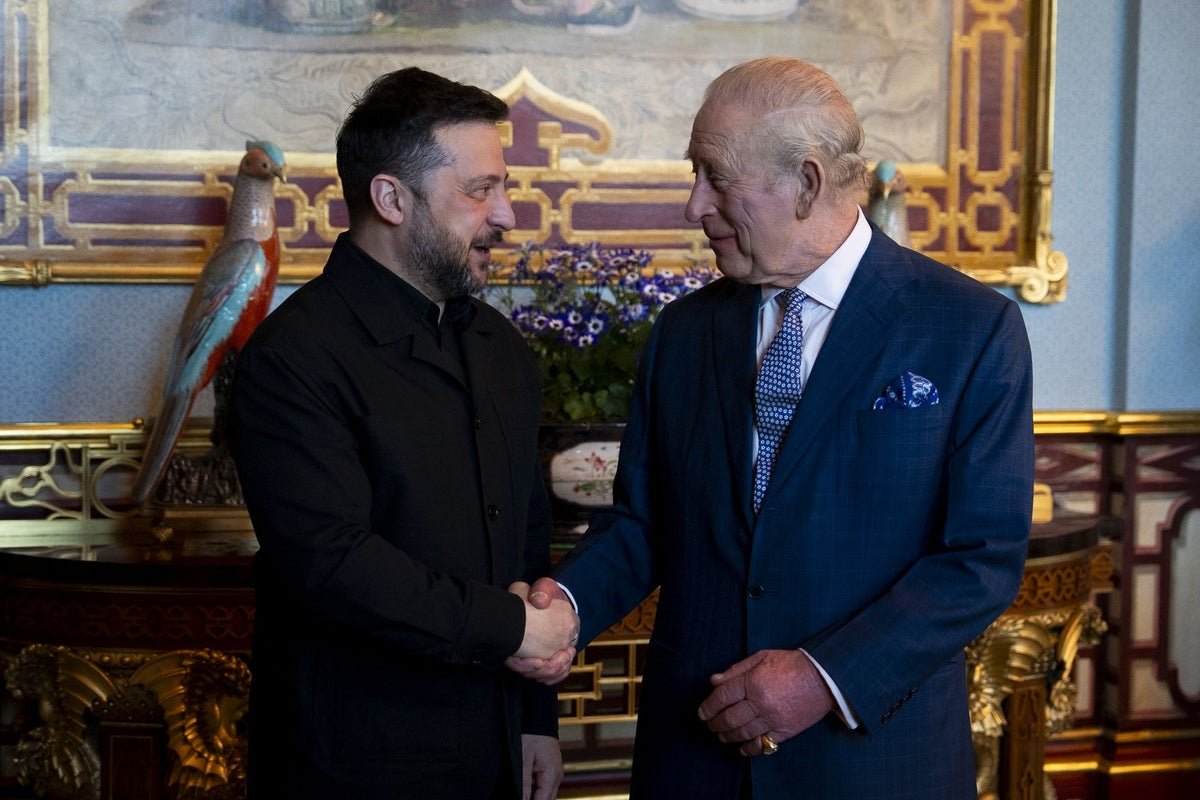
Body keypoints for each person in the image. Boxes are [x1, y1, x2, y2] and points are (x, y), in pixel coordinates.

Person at [510, 56, 1034, 799]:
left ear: (809, 183)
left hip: (874, 764)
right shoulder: (683, 333)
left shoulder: (969, 328)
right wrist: (565, 606)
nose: (694, 206)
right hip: (694, 759)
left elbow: (979, 559)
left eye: (715, 178)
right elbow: (642, 524)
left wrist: (822, 678)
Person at [229, 67, 578, 800]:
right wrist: (512, 627)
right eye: (480, 190)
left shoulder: (502, 349)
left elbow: (525, 537)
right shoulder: (291, 357)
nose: (509, 215)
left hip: (495, 748)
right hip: (355, 764)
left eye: (502, 186)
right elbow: (332, 564)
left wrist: (535, 718)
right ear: (390, 198)